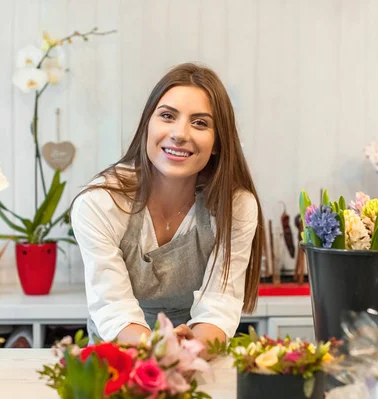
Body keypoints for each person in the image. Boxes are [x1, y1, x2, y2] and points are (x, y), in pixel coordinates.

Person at [70, 63, 264, 355]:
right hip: (119, 360)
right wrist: (159, 351)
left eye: (200, 123)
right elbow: (114, 307)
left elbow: (220, 304)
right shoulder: (100, 202)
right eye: (167, 116)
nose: (179, 133)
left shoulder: (234, 206)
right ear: (148, 124)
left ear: (217, 143)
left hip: (199, 358)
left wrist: (190, 351)